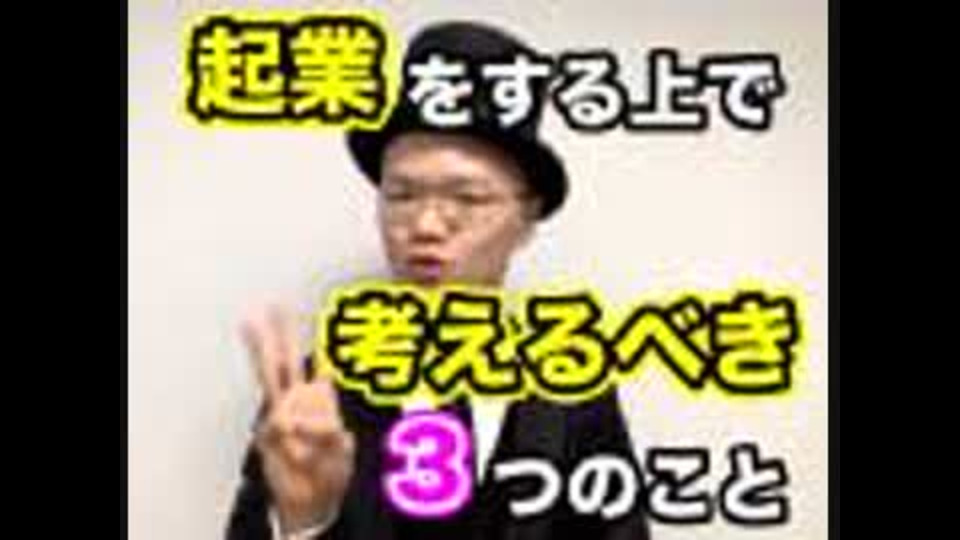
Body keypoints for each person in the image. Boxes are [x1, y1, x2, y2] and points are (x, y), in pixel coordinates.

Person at [225, 20, 652, 540]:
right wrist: (303, 521)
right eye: (401, 196)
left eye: (468, 198)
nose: (425, 225)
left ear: (527, 220)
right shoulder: (313, 394)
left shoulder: (574, 386)